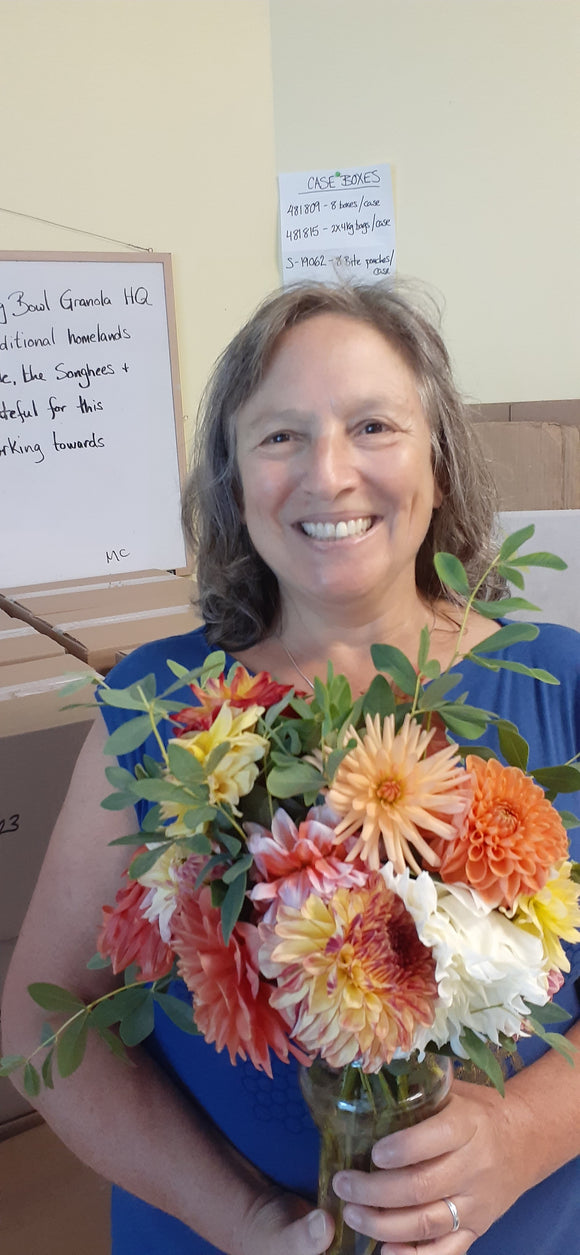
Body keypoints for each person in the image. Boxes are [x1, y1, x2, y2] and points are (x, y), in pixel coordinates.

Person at [3, 281, 580, 1255]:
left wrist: (521, 1135)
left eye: (372, 425)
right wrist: (249, 1221)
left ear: (438, 458)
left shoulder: (562, 684)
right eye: (278, 436)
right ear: (232, 474)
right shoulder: (157, 705)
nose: (329, 473)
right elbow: (36, 1021)